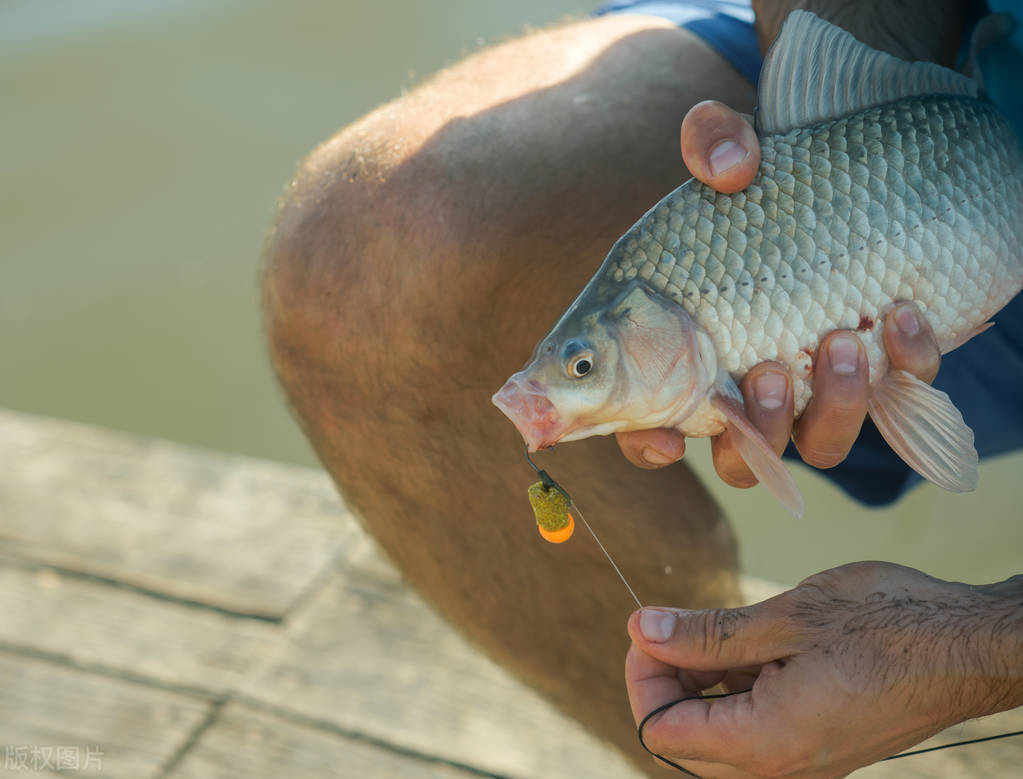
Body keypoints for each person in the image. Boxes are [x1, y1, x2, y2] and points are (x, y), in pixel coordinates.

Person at [263, 0, 1022, 774]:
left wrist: (973, 651)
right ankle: (705, 758)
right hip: (972, 76)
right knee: (366, 253)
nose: (554, 389)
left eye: (582, 366)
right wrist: (857, 80)